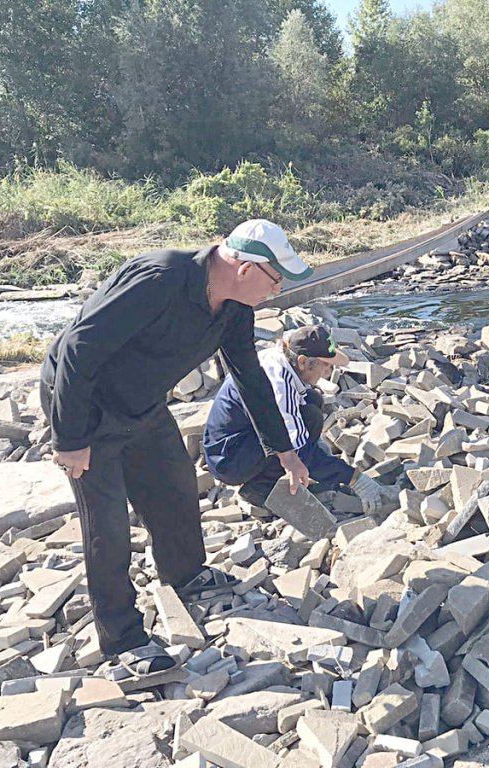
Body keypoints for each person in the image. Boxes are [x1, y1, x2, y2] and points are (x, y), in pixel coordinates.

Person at [40, 218, 314, 677]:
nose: (277, 290)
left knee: (175, 484)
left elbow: (248, 376)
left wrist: (283, 450)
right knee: (107, 524)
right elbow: (77, 349)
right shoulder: (161, 278)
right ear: (245, 269)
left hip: (142, 405)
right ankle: (122, 639)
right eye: (275, 279)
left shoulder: (233, 309)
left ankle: (185, 574)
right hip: (87, 407)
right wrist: (69, 438)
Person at [203, 325, 386, 512]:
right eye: (326, 365)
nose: (329, 372)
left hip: (238, 441)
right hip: (229, 460)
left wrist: (313, 445)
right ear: (303, 362)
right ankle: (261, 487)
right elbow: (297, 452)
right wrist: (355, 479)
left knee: (312, 401)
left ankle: (276, 474)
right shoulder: (280, 386)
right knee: (307, 421)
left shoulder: (279, 359)